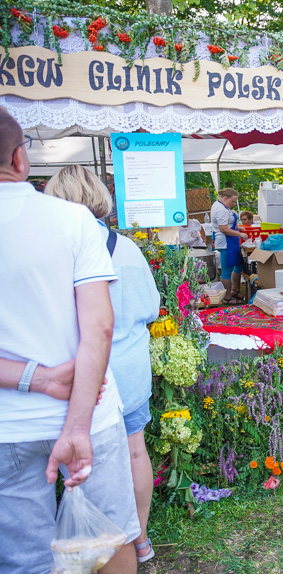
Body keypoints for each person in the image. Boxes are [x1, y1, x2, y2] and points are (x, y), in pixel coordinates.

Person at [0, 107, 139, 573]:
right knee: (112, 538)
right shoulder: (72, 221)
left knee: (26, 561)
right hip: (90, 413)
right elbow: (99, 326)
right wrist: (76, 426)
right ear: (21, 160)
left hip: (8, 425)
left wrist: (33, 379)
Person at [44, 165, 161, 562]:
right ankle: (138, 540)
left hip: (78, 378)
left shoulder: (57, 250)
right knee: (134, 452)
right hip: (129, 369)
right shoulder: (125, 247)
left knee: (80, 464)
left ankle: (90, 550)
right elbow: (151, 308)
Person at [210, 187, 248, 305]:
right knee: (227, 270)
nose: (233, 204)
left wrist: (237, 227)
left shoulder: (222, 206)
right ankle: (226, 297)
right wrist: (240, 234)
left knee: (238, 264)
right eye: (232, 201)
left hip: (231, 241)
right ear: (225, 198)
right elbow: (223, 228)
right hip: (226, 242)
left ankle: (235, 290)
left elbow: (228, 224)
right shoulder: (220, 209)